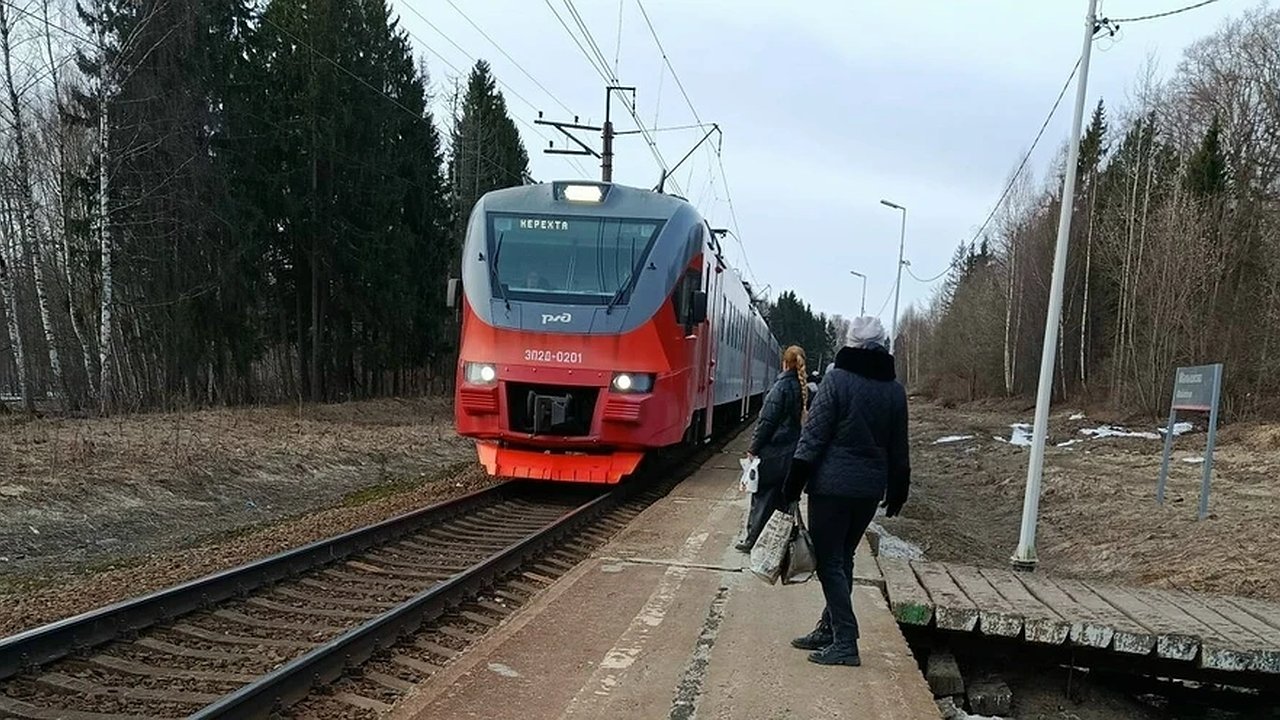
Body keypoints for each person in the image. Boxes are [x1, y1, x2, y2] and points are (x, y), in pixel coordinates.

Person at [782, 316, 910, 667]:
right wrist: (898, 488)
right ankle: (829, 629)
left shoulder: (837, 381)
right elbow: (900, 448)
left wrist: (792, 484)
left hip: (832, 488)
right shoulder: (894, 390)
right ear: (882, 344)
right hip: (868, 491)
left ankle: (846, 640)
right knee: (845, 558)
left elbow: (814, 437)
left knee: (829, 563)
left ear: (851, 343)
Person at [737, 345, 809, 553]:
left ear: (785, 363)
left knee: (763, 497)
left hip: (773, 452)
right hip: (792, 453)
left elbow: (767, 421)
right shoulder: (802, 388)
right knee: (782, 500)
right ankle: (775, 542)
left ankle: (753, 540)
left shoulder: (781, 388)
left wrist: (753, 448)